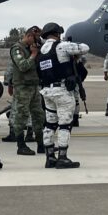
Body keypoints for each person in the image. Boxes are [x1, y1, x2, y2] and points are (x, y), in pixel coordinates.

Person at [36, 22, 90, 169]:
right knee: (65, 125)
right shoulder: (61, 46)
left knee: (50, 124)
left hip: (47, 91)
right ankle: (63, 158)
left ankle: (49, 158)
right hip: (62, 91)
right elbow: (85, 48)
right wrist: (73, 48)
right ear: (57, 33)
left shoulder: (42, 51)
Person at [3, 26, 44, 155]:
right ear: (29, 36)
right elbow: (22, 66)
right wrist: (33, 55)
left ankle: (41, 144)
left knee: (38, 114)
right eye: (35, 38)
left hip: (34, 85)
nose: (37, 42)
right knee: (21, 115)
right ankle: (21, 145)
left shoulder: (32, 48)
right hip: (22, 87)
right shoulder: (17, 49)